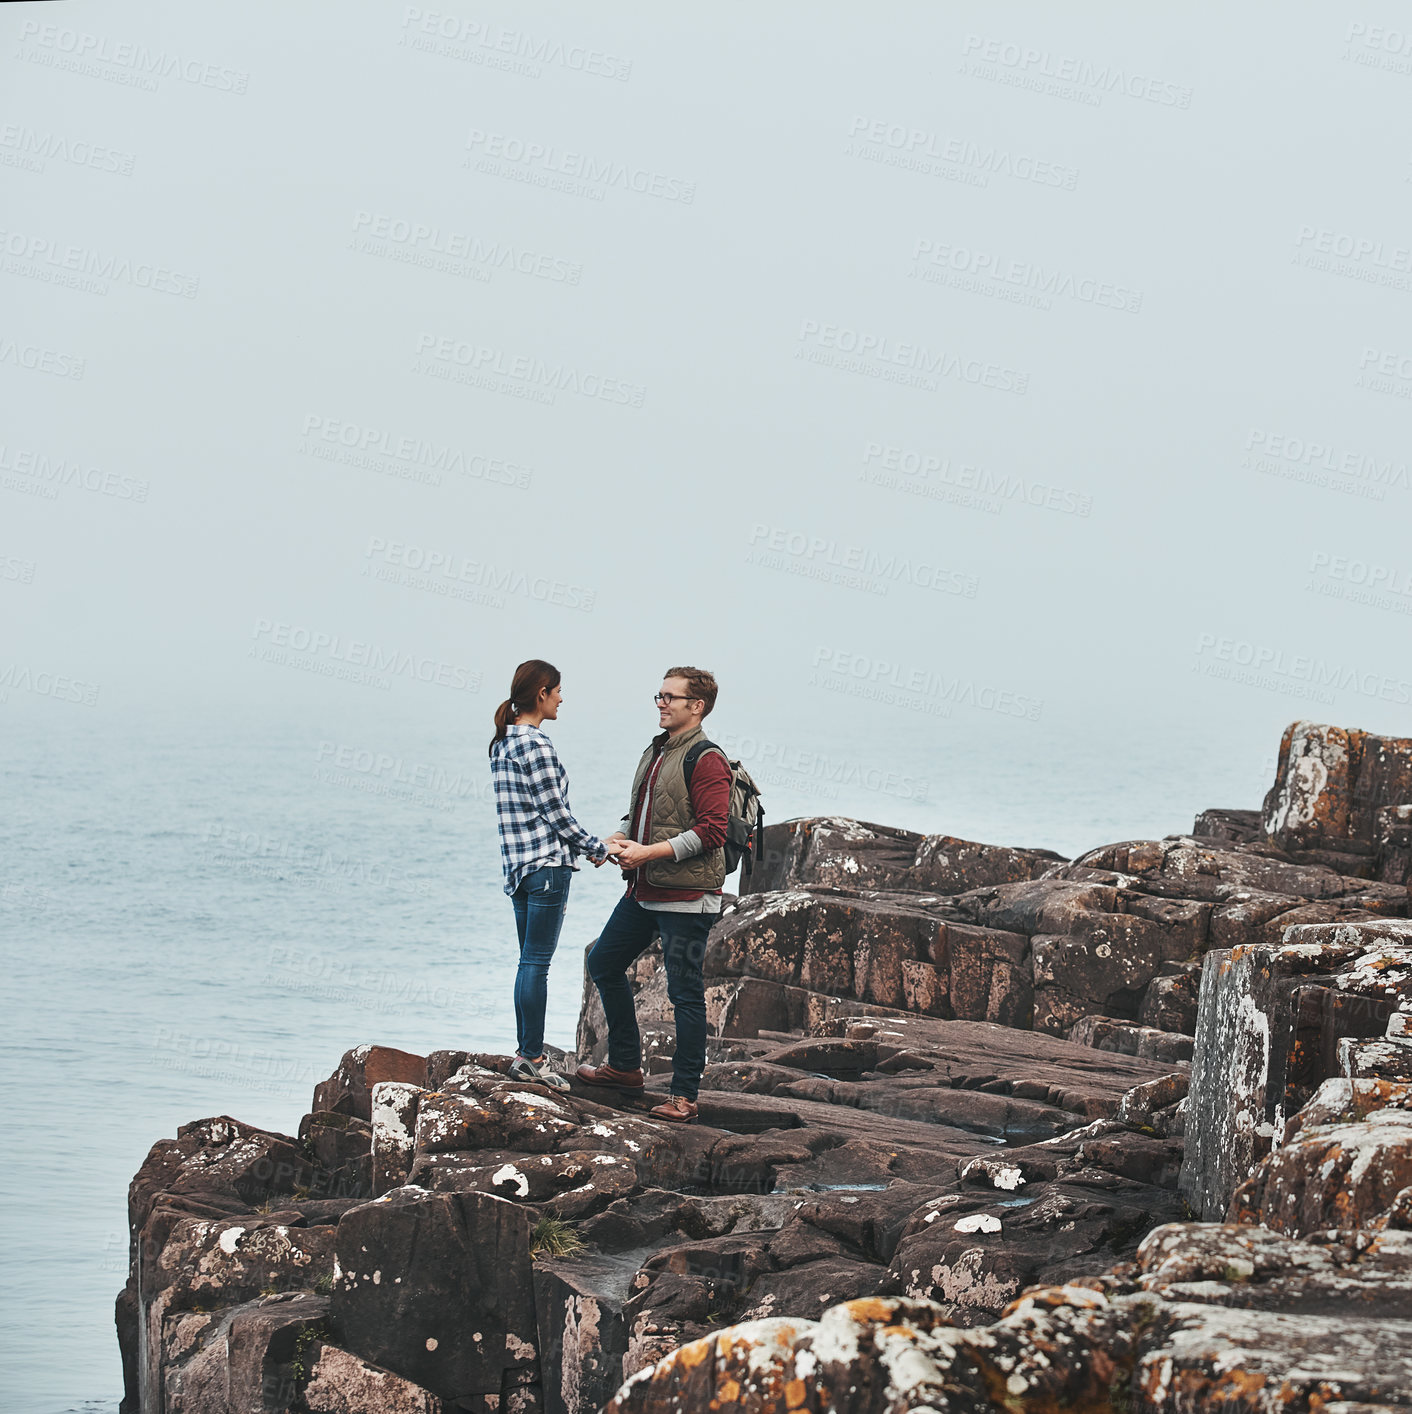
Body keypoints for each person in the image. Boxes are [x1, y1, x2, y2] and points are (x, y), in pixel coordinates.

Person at [576, 666, 731, 1123]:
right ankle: (625, 1067)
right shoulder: (657, 750)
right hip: (645, 891)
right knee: (603, 962)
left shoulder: (707, 759)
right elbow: (640, 812)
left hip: (687, 897)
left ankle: (684, 1095)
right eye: (658, 696)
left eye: (670, 697)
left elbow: (713, 832)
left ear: (696, 706)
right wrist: (618, 839)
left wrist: (648, 853)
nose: (661, 703)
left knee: (685, 993)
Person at [489, 659, 623, 1090]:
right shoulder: (538, 746)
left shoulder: (502, 743)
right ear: (542, 692)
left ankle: (525, 1052)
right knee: (536, 964)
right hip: (547, 868)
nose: (563, 698)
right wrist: (598, 849)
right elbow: (556, 814)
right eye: (559, 690)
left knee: (526, 963)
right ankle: (531, 1057)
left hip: (518, 868)